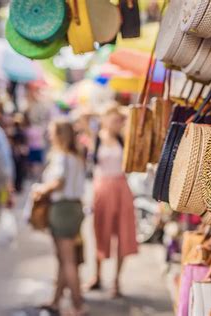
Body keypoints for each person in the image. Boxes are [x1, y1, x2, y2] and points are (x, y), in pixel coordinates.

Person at [33, 119, 86, 315]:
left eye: (52, 132)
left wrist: (40, 190)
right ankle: (56, 301)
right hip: (73, 208)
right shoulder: (76, 155)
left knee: (67, 260)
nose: (49, 135)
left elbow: (58, 182)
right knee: (65, 260)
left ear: (60, 135)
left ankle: (78, 305)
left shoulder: (62, 157)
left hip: (63, 209)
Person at [88, 105, 138, 296]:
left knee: (123, 234)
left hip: (121, 188)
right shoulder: (96, 138)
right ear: (105, 118)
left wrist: (122, 116)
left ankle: (116, 281)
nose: (119, 123)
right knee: (101, 231)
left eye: (120, 120)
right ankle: (97, 276)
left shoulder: (122, 138)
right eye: (115, 119)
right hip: (102, 189)